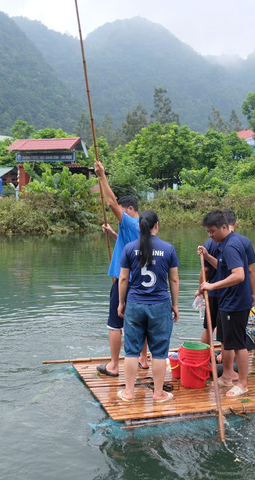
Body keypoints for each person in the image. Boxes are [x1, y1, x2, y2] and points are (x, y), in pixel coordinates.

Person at [117, 210, 180, 402]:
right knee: (159, 352)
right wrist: (175, 305)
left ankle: (128, 393)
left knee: (131, 351)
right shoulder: (168, 249)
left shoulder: (129, 248)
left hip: (135, 304)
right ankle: (158, 393)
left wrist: (121, 302)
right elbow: (174, 279)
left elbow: (123, 278)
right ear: (157, 225)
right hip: (160, 306)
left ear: (139, 226)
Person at [93, 160, 148, 377]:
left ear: (131, 210)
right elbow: (131, 246)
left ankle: (114, 365)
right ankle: (144, 359)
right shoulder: (144, 228)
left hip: (124, 280)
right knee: (141, 322)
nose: (119, 219)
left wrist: (101, 176)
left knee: (115, 324)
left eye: (122, 214)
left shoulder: (129, 221)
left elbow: (111, 203)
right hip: (142, 282)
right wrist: (114, 234)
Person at [199, 210, 252, 397]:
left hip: (236, 303)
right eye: (208, 232)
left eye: (212, 231)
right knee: (226, 341)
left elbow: (239, 275)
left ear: (224, 226)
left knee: (238, 344)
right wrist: (207, 255)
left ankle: (243, 384)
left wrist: (212, 286)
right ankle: (227, 376)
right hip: (226, 301)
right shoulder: (223, 244)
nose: (210, 235)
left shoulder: (231, 246)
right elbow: (221, 267)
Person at [222, 209, 255, 358]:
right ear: (236, 223)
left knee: (226, 333)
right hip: (242, 294)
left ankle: (228, 367)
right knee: (242, 326)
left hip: (223, 294)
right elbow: (251, 271)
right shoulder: (245, 241)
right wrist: (253, 293)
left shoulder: (217, 242)